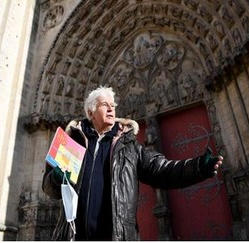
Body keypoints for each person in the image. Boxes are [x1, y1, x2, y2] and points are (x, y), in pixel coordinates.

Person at [42, 86, 223, 240]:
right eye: (105, 105)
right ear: (90, 112)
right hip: (74, 236)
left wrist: (198, 167)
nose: (112, 109)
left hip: (117, 236)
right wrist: (55, 179)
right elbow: (49, 187)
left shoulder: (129, 147)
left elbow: (162, 170)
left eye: (113, 105)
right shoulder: (71, 142)